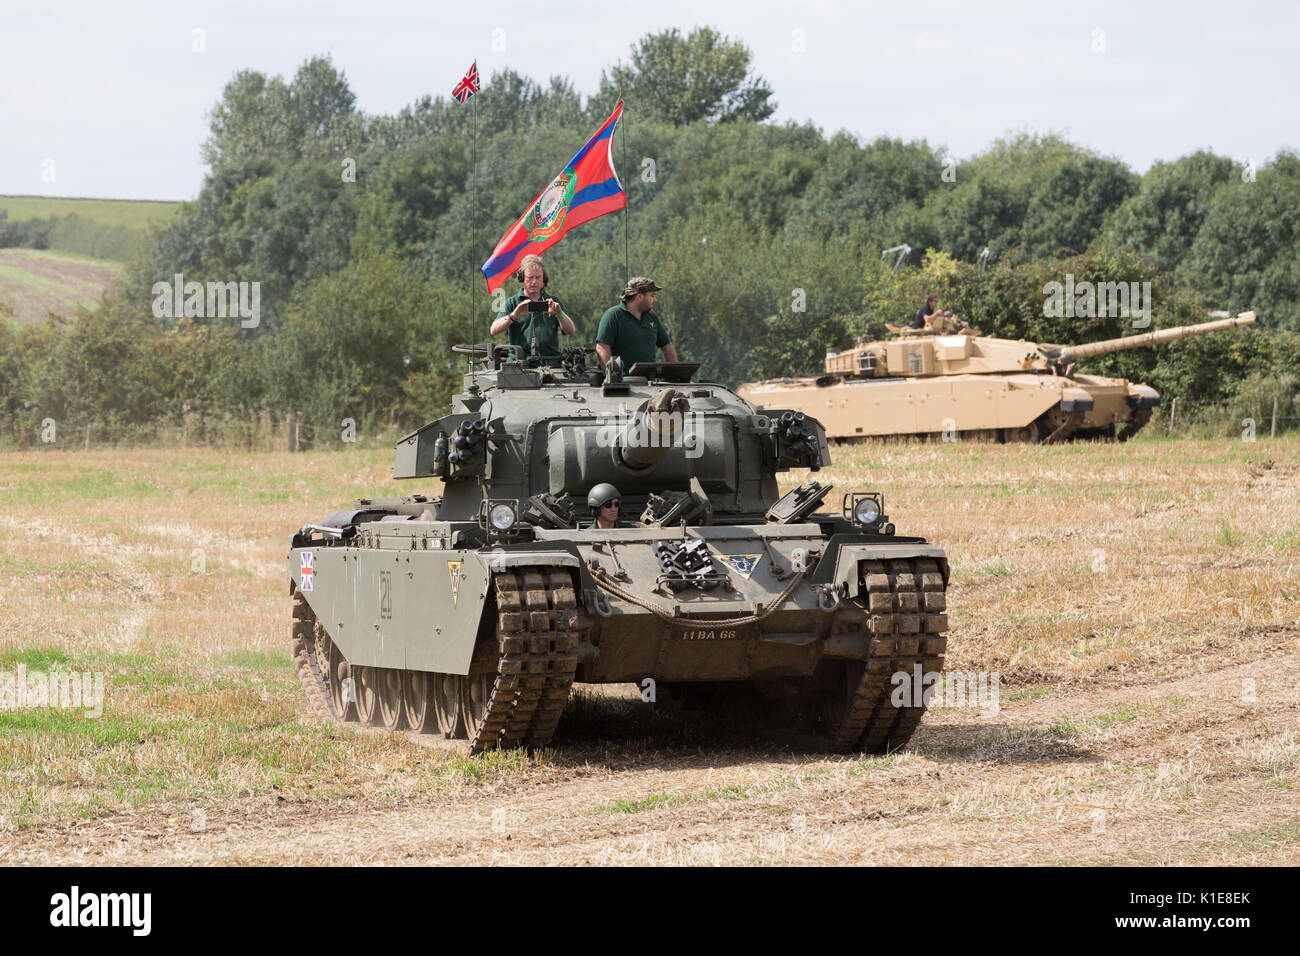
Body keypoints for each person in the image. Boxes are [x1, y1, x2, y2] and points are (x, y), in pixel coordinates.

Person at [490, 254, 576, 359]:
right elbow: (494, 330)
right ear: (521, 278)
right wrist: (514, 315)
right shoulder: (512, 303)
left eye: (538, 277)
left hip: (550, 363)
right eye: (530, 278)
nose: (534, 282)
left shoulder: (553, 302)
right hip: (518, 364)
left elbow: (571, 331)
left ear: (543, 278)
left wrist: (559, 314)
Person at [595, 277, 679, 370]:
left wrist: (675, 374)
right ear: (639, 297)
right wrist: (612, 375)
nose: (655, 300)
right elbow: (602, 348)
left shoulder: (651, 316)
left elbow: (667, 346)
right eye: (652, 296)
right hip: (624, 381)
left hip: (649, 381)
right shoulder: (614, 316)